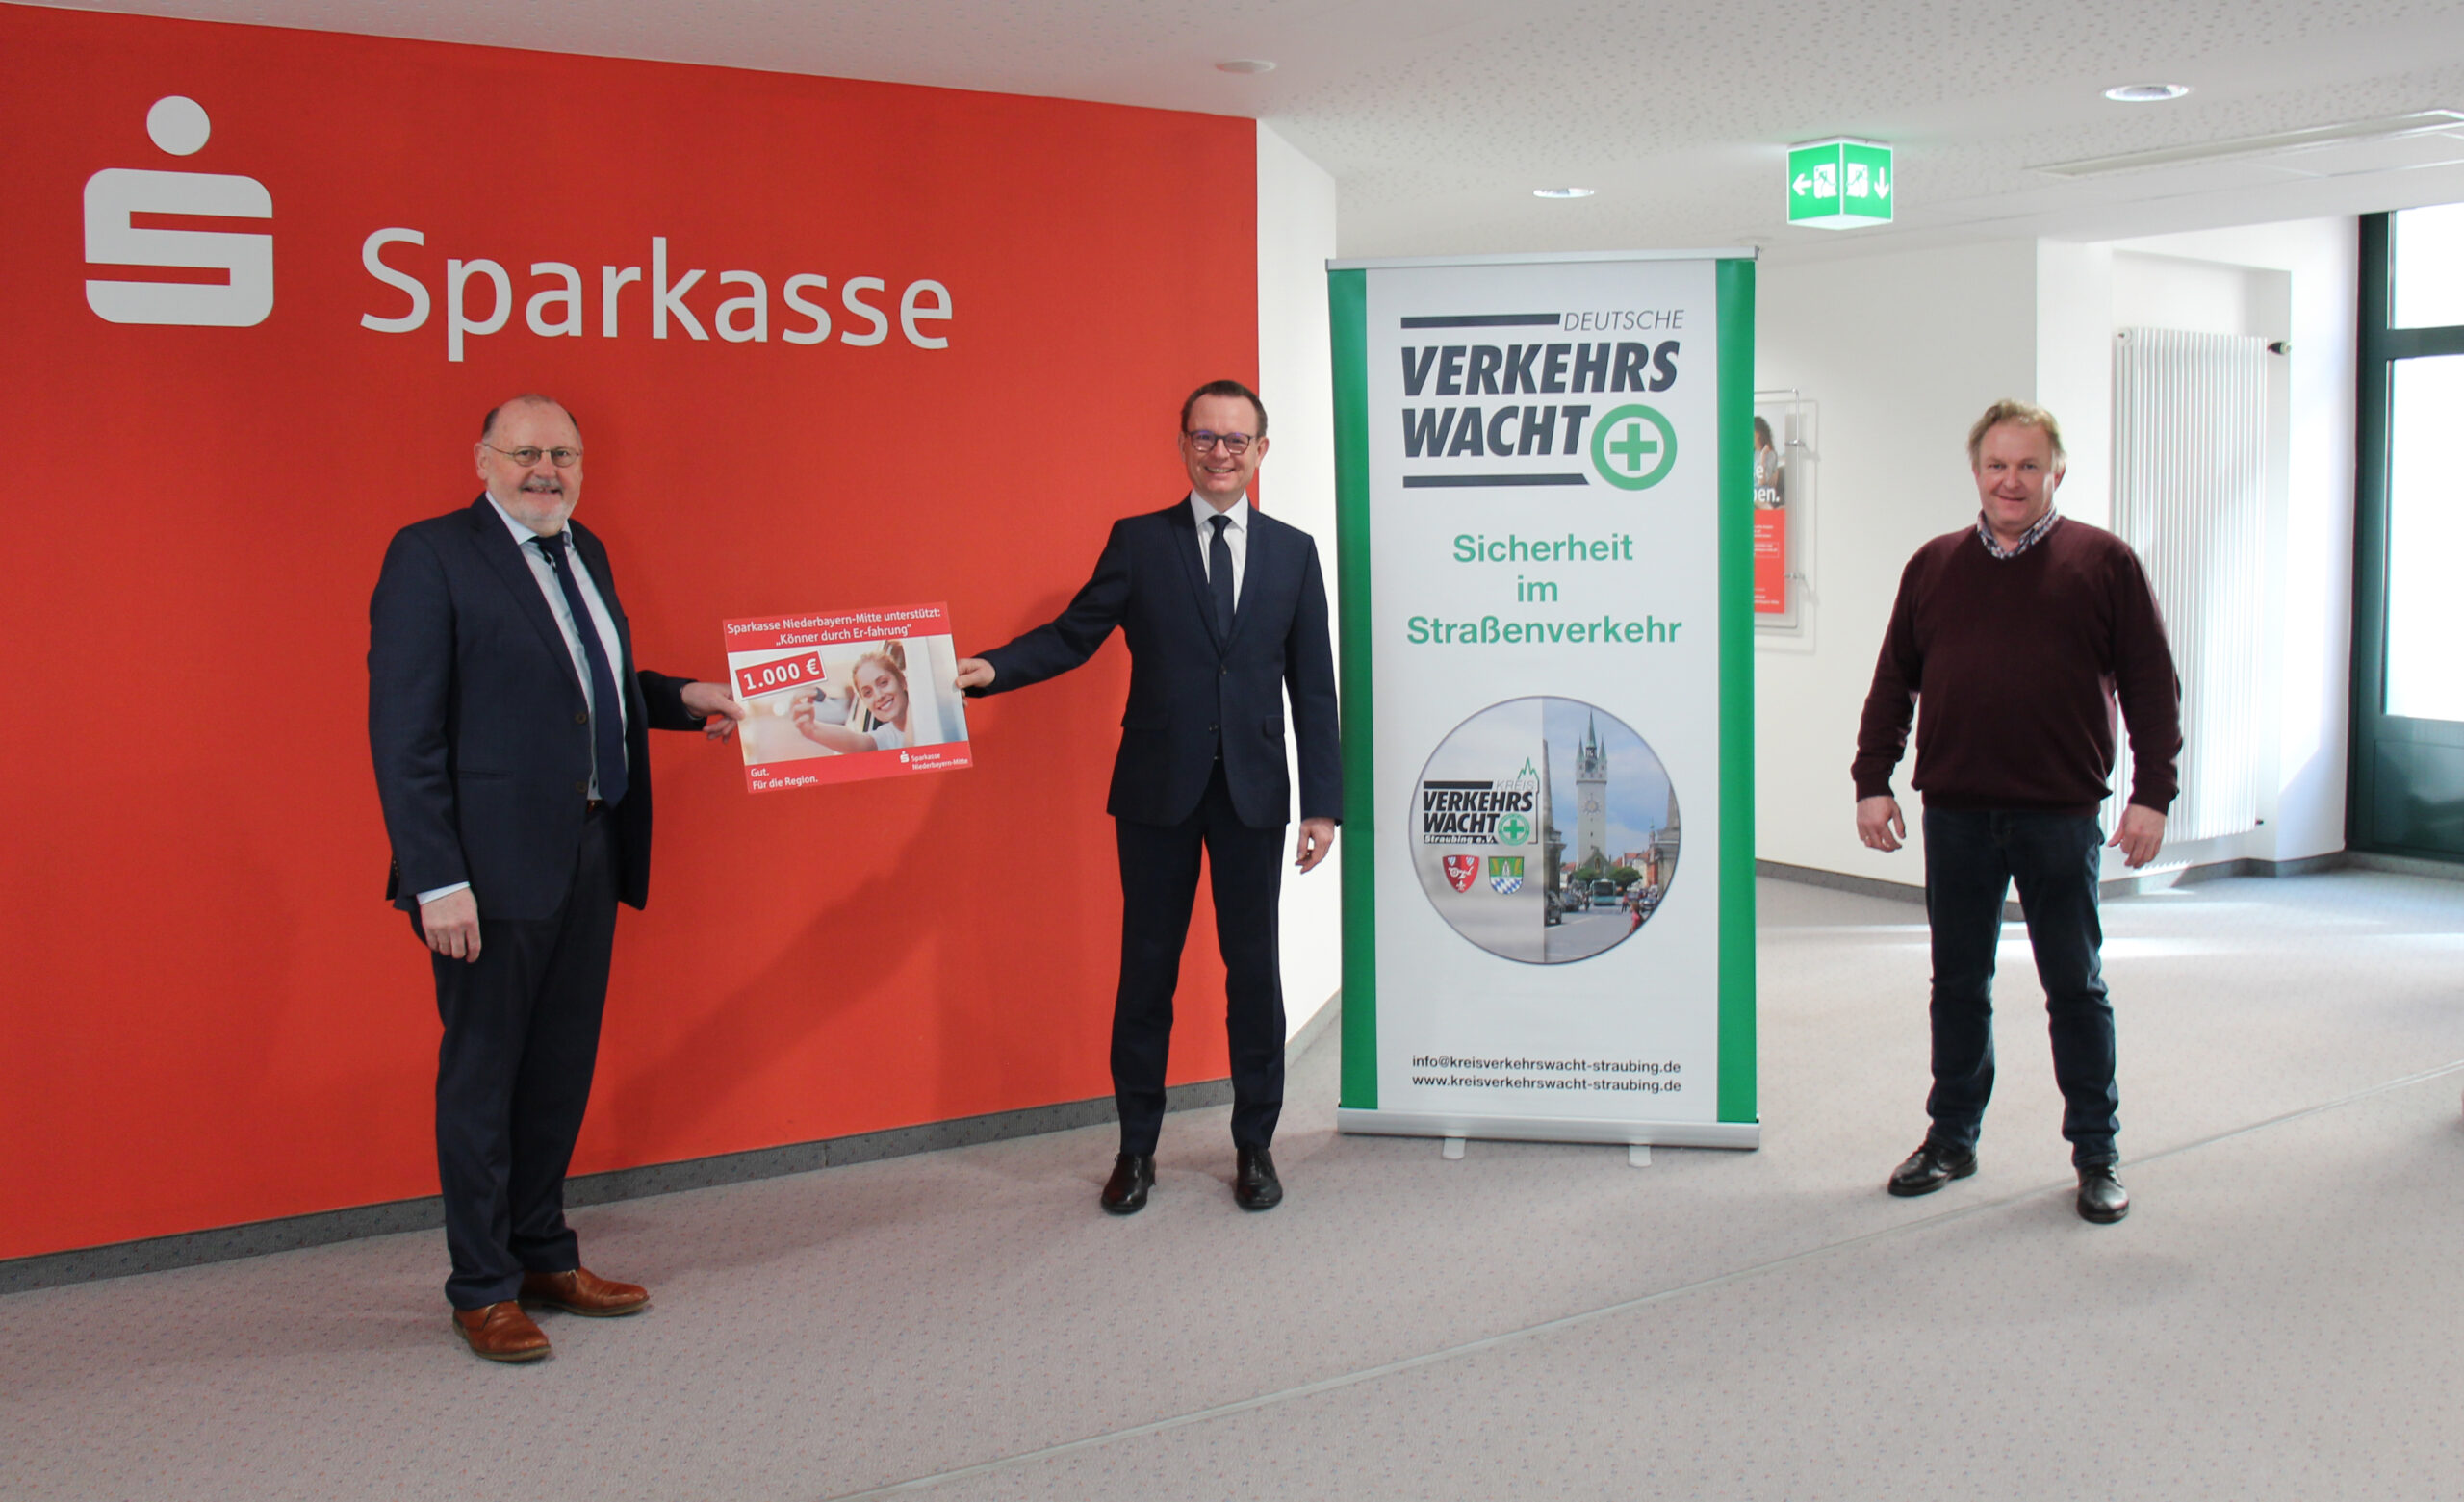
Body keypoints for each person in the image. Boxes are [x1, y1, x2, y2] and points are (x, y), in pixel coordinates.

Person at [368, 395, 746, 1362]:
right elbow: (405, 734)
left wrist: (681, 696)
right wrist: (435, 878)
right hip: (486, 870)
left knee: (559, 1069)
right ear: (483, 459)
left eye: (565, 454)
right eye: (527, 451)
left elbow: (593, 691)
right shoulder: (430, 555)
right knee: (485, 1076)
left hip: (590, 845)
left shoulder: (587, 550)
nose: (547, 470)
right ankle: (482, 1285)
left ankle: (542, 1253)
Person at [954, 379, 1339, 1215]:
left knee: (1254, 975)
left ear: (1261, 451)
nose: (1220, 453)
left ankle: (1255, 1144)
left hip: (1254, 795)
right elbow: (1074, 634)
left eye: (1236, 440)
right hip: (1156, 792)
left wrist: (1322, 803)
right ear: (1183, 445)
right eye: (1205, 437)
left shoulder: (1293, 552)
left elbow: (1314, 685)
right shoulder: (1139, 541)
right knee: (1147, 973)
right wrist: (992, 669)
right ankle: (1136, 1149)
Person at [1852, 398, 2181, 1226]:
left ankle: (2097, 1154)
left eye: (2028, 465)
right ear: (1976, 471)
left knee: (2075, 986)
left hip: (2058, 815)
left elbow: (2152, 685)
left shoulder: (2104, 562)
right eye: (1997, 464)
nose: (2011, 480)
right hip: (1957, 814)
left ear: (2056, 471)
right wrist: (1872, 777)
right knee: (1958, 985)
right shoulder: (1934, 565)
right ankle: (1951, 1138)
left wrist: (2152, 793)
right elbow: (1893, 681)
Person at [790, 643, 930, 752]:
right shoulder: (886, 736)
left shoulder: (933, 711)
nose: (879, 696)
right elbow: (857, 742)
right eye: (868, 693)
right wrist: (812, 729)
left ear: (903, 682)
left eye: (883, 683)